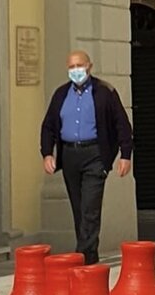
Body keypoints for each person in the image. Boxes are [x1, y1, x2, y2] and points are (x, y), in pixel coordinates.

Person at [41, 49, 133, 263]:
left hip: (95, 155)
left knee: (90, 206)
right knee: (79, 207)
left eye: (79, 66)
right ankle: (88, 251)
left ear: (89, 66)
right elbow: (49, 126)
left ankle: (85, 256)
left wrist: (125, 154)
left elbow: (122, 125)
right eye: (71, 67)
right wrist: (47, 153)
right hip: (70, 155)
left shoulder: (104, 92)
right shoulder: (61, 95)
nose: (76, 71)